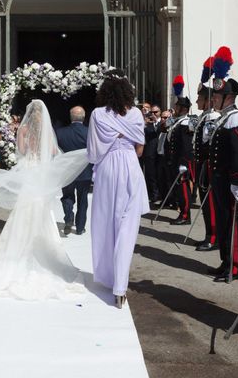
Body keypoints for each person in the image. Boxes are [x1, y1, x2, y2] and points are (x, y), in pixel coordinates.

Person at [0, 99, 89, 301]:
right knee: (41, 211)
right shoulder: (47, 130)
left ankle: (20, 244)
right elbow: (53, 152)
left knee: (24, 209)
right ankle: (41, 245)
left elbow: (22, 151)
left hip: (29, 172)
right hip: (40, 174)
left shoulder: (24, 129)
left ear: (28, 113)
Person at [88, 71, 149, 308]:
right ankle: (120, 287)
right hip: (131, 167)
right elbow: (141, 149)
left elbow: (93, 152)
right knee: (127, 226)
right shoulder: (135, 114)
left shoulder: (97, 114)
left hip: (107, 168)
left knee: (105, 224)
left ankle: (109, 276)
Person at [207, 50, 238, 283]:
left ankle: (234, 267)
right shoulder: (221, 119)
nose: (214, 99)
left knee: (232, 223)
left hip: (230, 180)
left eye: (217, 96)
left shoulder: (236, 118)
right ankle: (225, 261)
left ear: (229, 98)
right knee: (224, 222)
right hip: (219, 179)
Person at [191, 70, 220, 252]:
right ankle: (209, 234)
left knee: (210, 203)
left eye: (200, 98)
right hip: (202, 164)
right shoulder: (204, 117)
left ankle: (214, 237)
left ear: (208, 100)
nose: (197, 102)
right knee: (205, 204)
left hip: (209, 165)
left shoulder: (212, 117)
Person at [56, 106, 92, 235]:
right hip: (85, 171)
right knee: (83, 200)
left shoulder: (60, 133)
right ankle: (80, 227)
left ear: (71, 117)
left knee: (67, 197)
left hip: (67, 171)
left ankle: (68, 218)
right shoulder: (90, 132)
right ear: (84, 117)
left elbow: (55, 152)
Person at [165, 76, 193, 225]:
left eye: (177, 107)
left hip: (181, 162)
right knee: (178, 189)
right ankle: (182, 211)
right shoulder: (177, 122)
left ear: (184, 109)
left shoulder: (185, 123)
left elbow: (186, 146)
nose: (175, 109)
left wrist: (184, 163)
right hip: (174, 161)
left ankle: (185, 214)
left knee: (183, 189)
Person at [142, 104, 161, 202]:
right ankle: (153, 194)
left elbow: (160, 131)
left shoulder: (161, 122)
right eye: (152, 112)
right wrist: (144, 123)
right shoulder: (147, 124)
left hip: (161, 153)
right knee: (150, 175)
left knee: (160, 175)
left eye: (156, 112)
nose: (153, 114)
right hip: (150, 152)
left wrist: (156, 120)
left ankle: (161, 194)